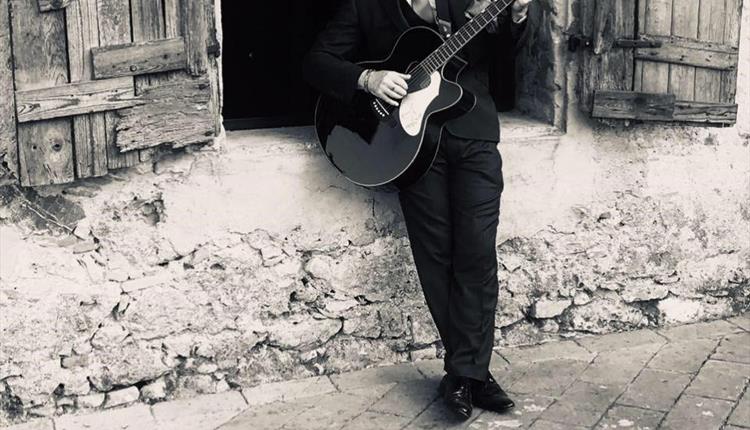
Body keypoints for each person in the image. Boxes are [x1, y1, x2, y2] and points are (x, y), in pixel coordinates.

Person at [302, 0, 532, 420]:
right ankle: (469, 374)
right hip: (408, 147)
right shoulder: (365, 7)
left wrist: (513, 20)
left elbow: (501, 68)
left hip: (474, 133)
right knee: (435, 256)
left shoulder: (470, 3)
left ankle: (466, 372)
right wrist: (367, 78)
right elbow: (316, 62)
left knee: (478, 253)